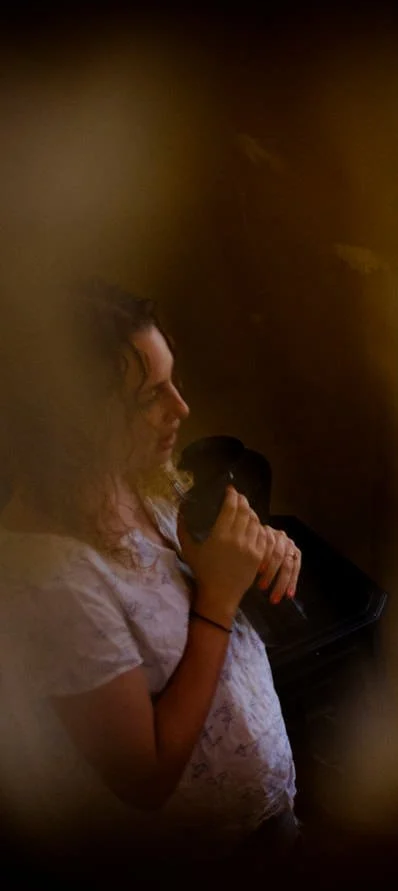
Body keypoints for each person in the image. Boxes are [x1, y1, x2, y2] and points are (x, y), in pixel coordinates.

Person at [0, 280, 303, 866]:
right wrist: (217, 599)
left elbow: (193, 580)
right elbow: (146, 779)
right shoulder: (45, 578)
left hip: (263, 820)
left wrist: (265, 550)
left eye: (175, 382)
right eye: (150, 398)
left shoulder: (136, 478)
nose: (181, 410)